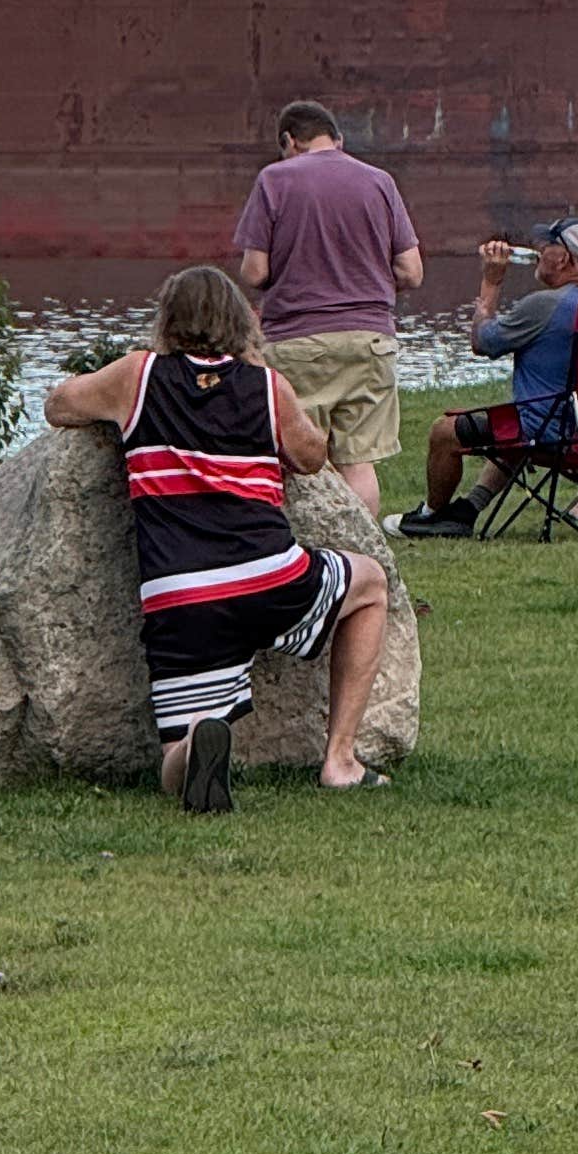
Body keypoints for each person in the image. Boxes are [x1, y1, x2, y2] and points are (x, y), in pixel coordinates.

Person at [44, 263, 394, 807]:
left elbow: (58, 404)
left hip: (181, 599)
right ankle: (340, 760)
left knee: (172, 757)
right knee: (369, 585)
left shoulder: (137, 377)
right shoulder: (265, 386)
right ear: (239, 320)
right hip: (268, 575)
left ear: (167, 320)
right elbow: (309, 455)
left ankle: (195, 746)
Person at [230, 101, 425, 515]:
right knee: (359, 462)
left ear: (289, 141)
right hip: (371, 339)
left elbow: (254, 271)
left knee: (301, 458)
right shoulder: (379, 182)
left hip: (297, 341)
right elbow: (411, 271)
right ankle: (364, 558)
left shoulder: (274, 179)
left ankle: (308, 556)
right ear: (337, 139)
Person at [394, 219, 578, 539]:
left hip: (553, 431)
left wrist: (492, 282)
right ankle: (468, 510)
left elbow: (483, 342)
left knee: (445, 431)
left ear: (562, 258)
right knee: (514, 418)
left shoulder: (544, 305)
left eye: (544, 246)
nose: (538, 252)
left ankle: (433, 515)